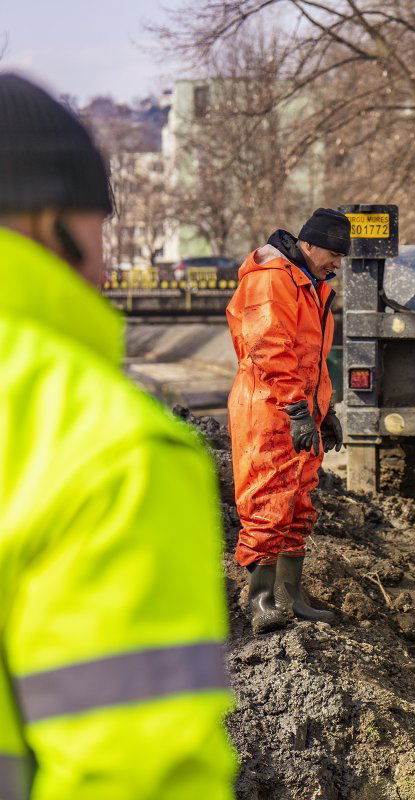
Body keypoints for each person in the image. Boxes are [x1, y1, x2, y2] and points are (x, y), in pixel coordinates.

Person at [0, 73, 236, 797]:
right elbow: (139, 769)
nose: (105, 265)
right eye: (102, 227)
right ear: (51, 223)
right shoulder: (104, 447)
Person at [226, 209, 349, 634]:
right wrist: (298, 410)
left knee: (298, 503)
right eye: (333, 253)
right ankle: (260, 601)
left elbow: (313, 357)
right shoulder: (272, 278)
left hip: (297, 408)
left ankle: (292, 597)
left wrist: (324, 409)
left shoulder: (310, 284)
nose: (337, 264)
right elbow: (268, 348)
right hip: (269, 408)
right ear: (309, 244)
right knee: (267, 501)